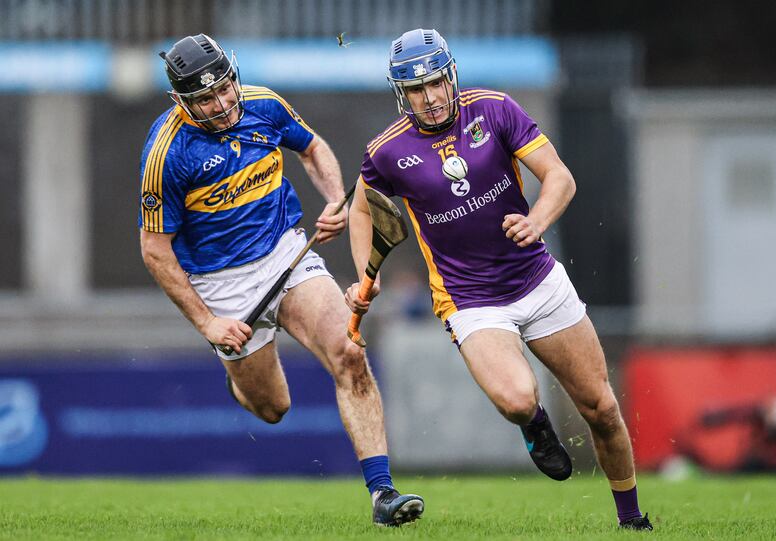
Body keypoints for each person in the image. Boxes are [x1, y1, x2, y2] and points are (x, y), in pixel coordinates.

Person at [345, 28, 652, 531]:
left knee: (601, 407)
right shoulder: (386, 151)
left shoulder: (494, 109)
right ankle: (534, 425)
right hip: (469, 299)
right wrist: (364, 273)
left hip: (537, 280)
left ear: (451, 75)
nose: (431, 97)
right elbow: (362, 210)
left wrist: (537, 222)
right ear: (402, 94)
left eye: (437, 83)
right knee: (516, 399)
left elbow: (560, 178)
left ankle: (632, 519)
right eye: (417, 89)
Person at [138, 34, 423, 527]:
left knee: (350, 354)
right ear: (181, 100)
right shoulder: (167, 153)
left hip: (285, 254)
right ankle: (241, 384)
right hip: (220, 284)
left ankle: (382, 495)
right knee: (273, 408)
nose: (222, 103)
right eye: (205, 98)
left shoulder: (264, 105)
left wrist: (335, 200)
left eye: (225, 88)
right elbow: (154, 250)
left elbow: (312, 148)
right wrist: (208, 324)